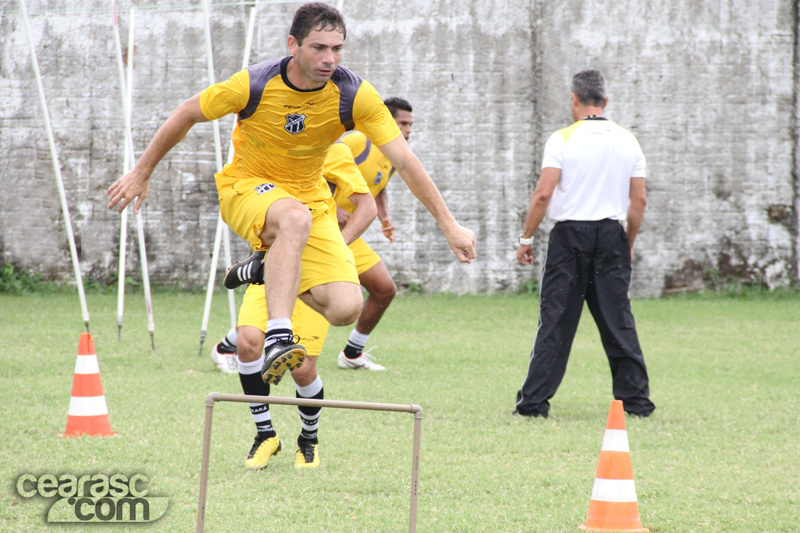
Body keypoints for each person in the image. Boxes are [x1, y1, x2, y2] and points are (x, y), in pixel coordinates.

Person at [107, 3, 475, 466]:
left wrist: (449, 223)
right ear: (292, 46)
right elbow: (185, 114)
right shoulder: (253, 84)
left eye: (337, 48)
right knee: (293, 220)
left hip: (312, 203)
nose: (329, 58)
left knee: (345, 308)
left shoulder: (353, 94)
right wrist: (142, 172)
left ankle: (265, 267)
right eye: (319, 47)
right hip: (246, 189)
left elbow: (404, 160)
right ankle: (279, 335)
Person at [213, 97, 415, 372]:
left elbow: (376, 188)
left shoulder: (393, 155)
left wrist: (385, 219)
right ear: (387, 121)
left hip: (346, 235)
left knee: (383, 289)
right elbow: (324, 170)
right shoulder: (357, 142)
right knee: (292, 284)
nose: (408, 130)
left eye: (410, 124)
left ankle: (353, 351)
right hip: (318, 228)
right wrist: (334, 207)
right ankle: (229, 344)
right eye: (403, 123)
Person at [512, 69, 655, 418]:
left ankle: (533, 404)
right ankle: (636, 401)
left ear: (574, 100)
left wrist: (526, 237)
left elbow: (544, 193)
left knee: (556, 321)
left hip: (569, 236)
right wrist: (628, 241)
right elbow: (638, 202)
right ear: (606, 101)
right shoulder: (628, 140)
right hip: (611, 233)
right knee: (618, 318)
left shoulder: (562, 138)